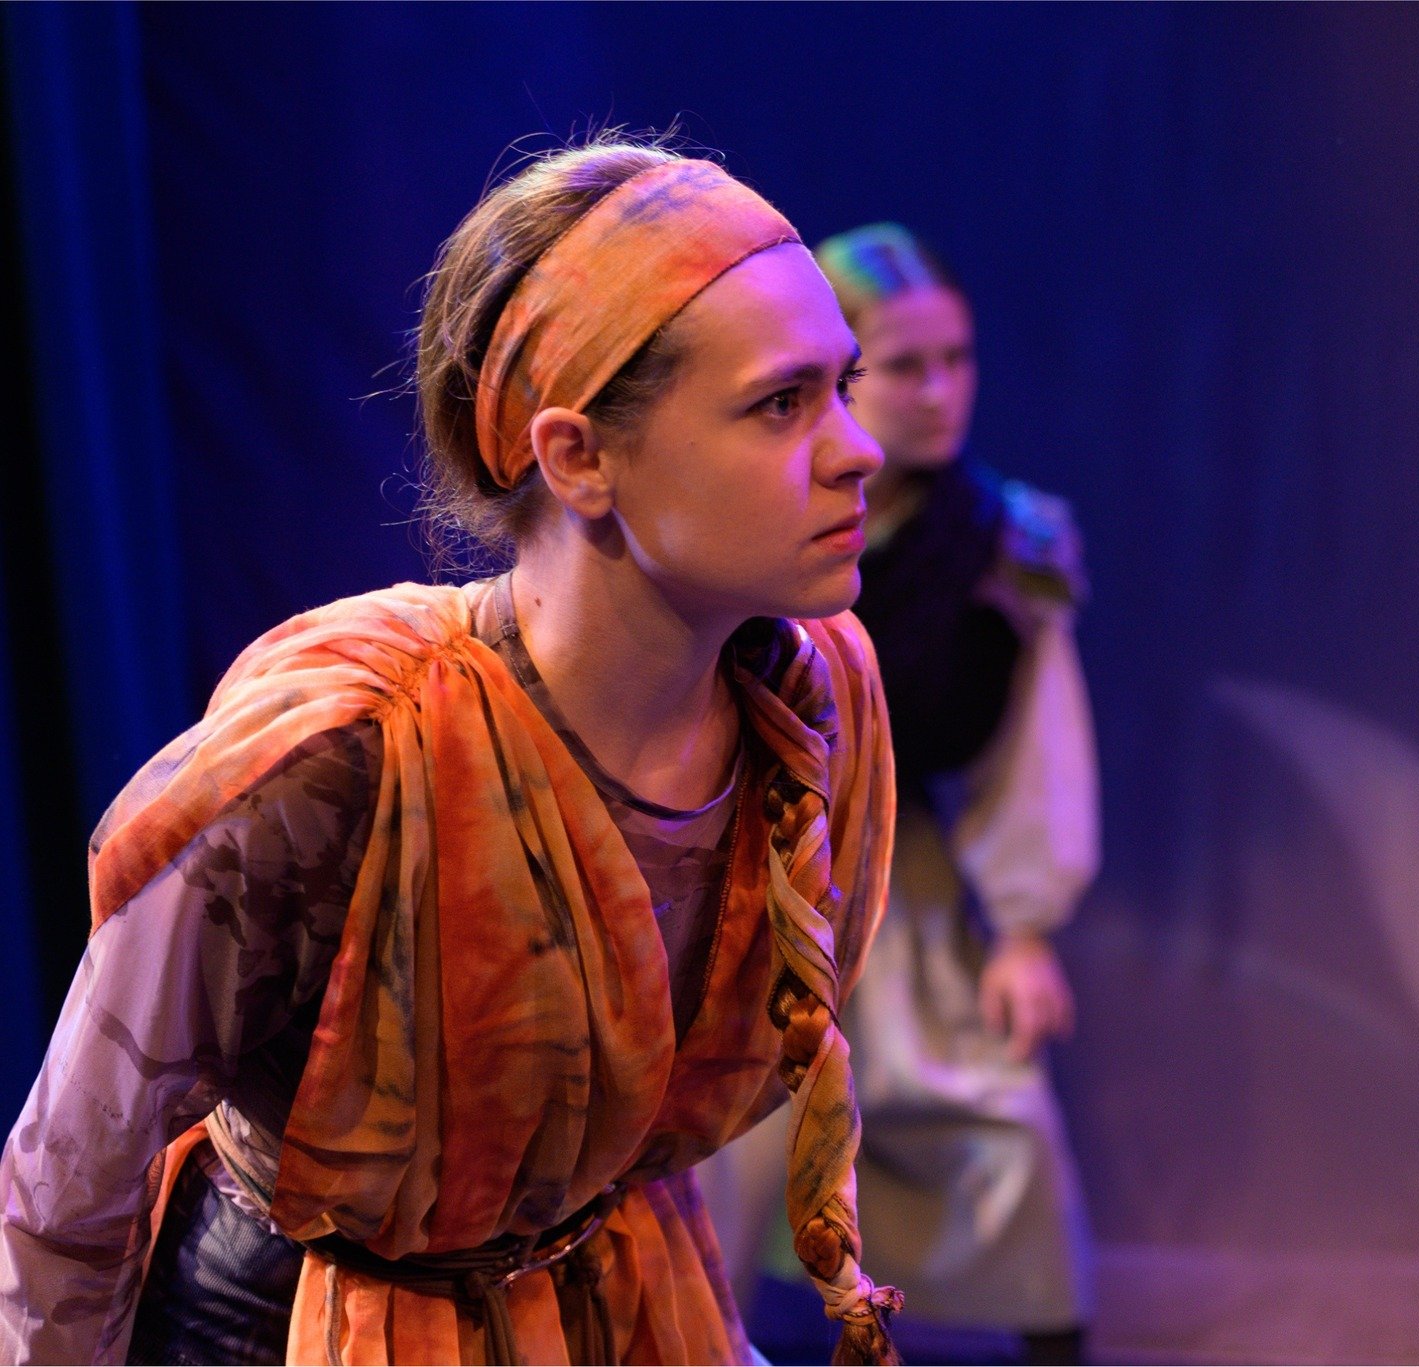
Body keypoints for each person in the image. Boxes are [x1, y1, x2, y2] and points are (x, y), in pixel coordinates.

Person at [0, 141, 904, 1366]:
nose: (857, 447)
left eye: (844, 386)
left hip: (614, 1295)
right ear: (577, 456)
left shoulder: (816, 698)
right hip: (290, 1324)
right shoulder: (347, 753)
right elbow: (71, 1178)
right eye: (780, 403)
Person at [702, 224, 1098, 1365]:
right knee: (721, 1145)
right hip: (751, 869)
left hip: (904, 874)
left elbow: (1035, 748)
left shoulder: (1004, 541)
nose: (940, 392)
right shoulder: (757, 523)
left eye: (956, 360)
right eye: (906, 366)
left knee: (996, 1124)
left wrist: (1023, 928)